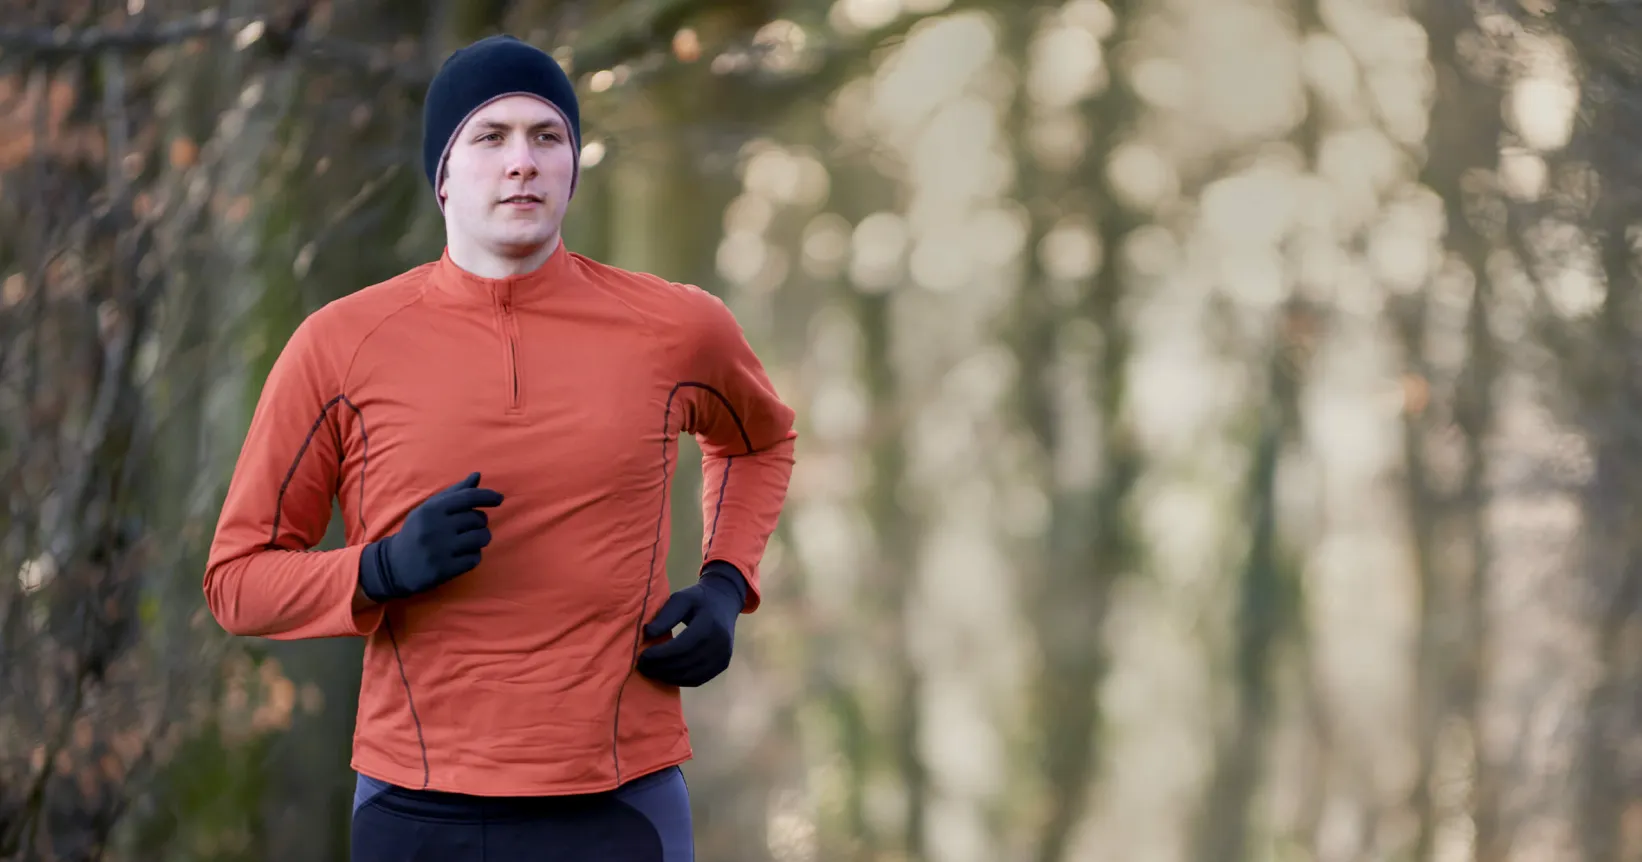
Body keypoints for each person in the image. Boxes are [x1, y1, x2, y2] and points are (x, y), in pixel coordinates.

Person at [201, 33, 797, 862]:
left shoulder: (677, 328)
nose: (522, 161)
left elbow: (760, 440)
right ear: (443, 174)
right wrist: (377, 570)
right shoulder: (338, 346)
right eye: (490, 136)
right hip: (418, 808)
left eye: (546, 137)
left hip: (619, 802)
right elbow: (237, 581)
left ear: (571, 169)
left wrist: (728, 584)